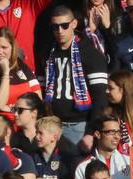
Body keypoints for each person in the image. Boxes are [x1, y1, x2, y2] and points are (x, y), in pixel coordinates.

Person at [43, 5, 108, 147]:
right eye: (55, 27)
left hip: (79, 127)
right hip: (52, 125)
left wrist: (90, 132)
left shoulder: (91, 54)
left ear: (74, 24)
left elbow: (101, 98)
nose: (60, 31)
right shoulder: (49, 52)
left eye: (64, 26)